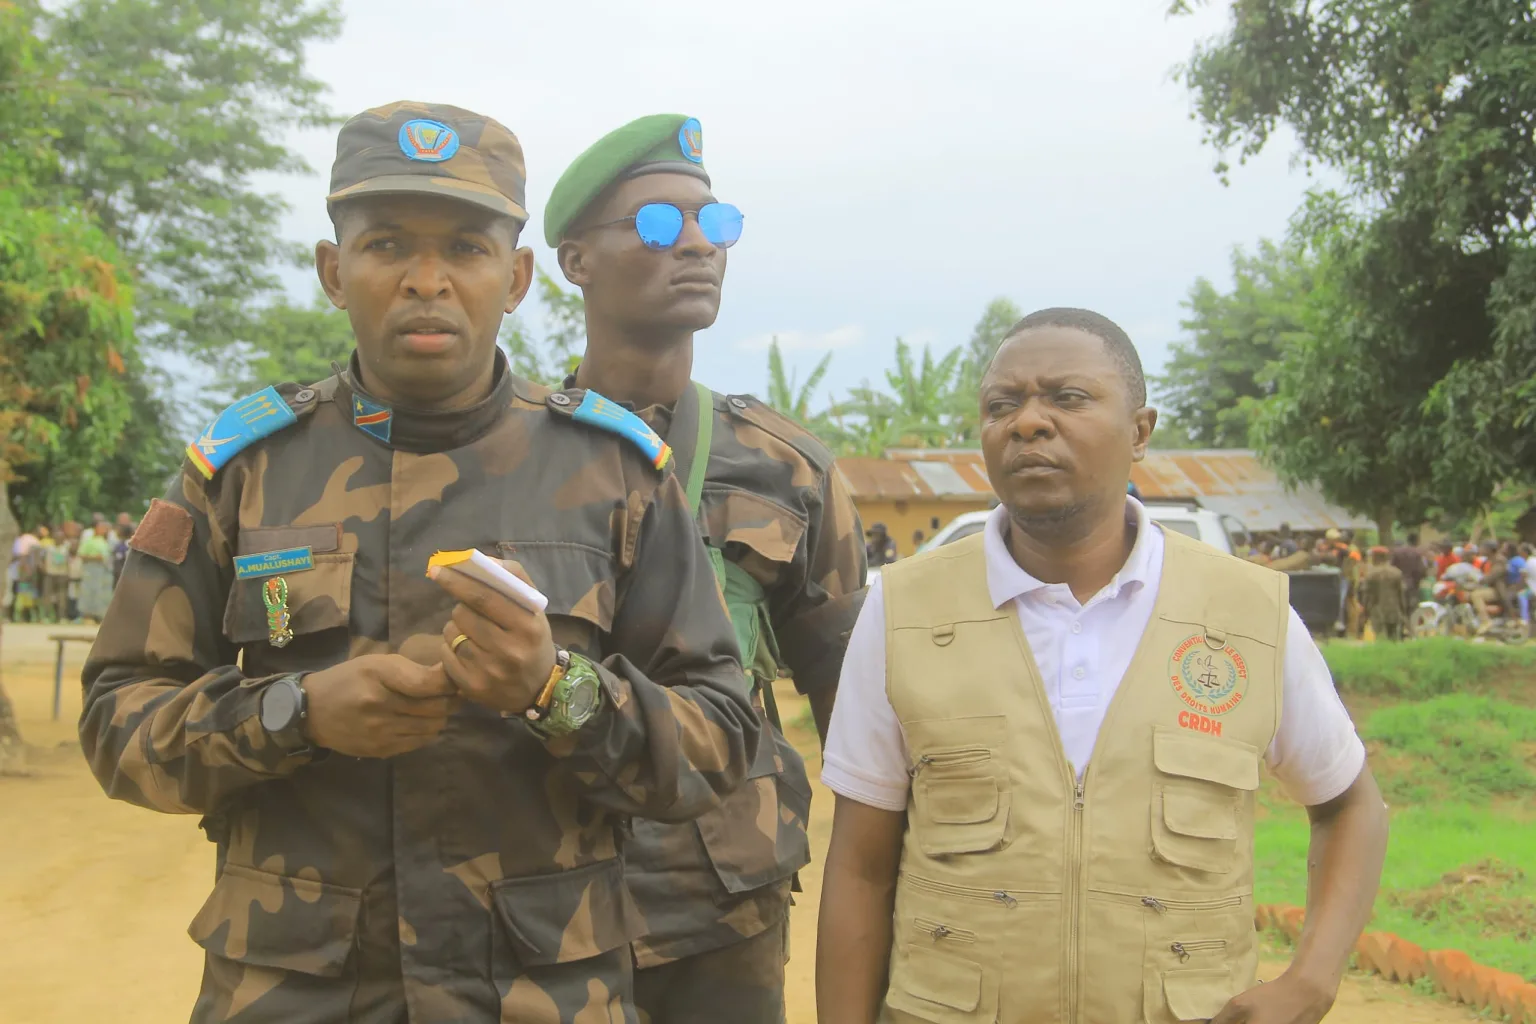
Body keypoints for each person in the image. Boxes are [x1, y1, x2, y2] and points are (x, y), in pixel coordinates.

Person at [79, 101, 761, 1024]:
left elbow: (720, 737)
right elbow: (119, 721)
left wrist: (559, 691)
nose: (425, 281)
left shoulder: (617, 472)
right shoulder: (242, 472)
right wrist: (296, 713)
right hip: (296, 990)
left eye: (468, 251)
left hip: (544, 991)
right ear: (333, 270)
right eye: (387, 244)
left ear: (517, 277)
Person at [816, 308, 1388, 1024]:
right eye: (1002, 405)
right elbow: (860, 871)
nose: (1027, 422)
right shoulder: (904, 610)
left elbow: (1350, 804)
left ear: (1140, 431)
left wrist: (1312, 979)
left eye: (1067, 397)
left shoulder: (1247, 615)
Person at [545, 112, 867, 1024]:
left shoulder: (786, 466)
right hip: (539, 898)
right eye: (656, 224)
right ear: (575, 260)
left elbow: (857, 712)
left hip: (722, 900)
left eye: (713, 223)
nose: (695, 244)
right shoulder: (512, 452)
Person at [1360, 546, 1406, 642]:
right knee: (1394, 639)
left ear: (1376, 557)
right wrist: (1403, 610)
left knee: (1380, 638)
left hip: (1377, 611)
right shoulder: (1396, 572)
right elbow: (1401, 594)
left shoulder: (1372, 574)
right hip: (1394, 610)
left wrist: (1365, 611)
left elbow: (1367, 595)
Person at [75, 521, 114, 622]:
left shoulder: (105, 542)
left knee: (101, 593)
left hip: (102, 571)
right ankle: (87, 615)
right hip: (90, 570)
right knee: (88, 592)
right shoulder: (89, 541)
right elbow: (81, 555)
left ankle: (99, 616)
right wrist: (95, 558)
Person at [1391, 532, 1428, 620]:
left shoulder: (1397, 552)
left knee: (1399, 606)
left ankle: (1399, 628)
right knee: (1412, 609)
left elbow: (1392, 568)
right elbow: (1421, 570)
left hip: (1398, 584)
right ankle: (1411, 628)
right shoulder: (1417, 553)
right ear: (1417, 541)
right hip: (1412, 585)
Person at [40, 525, 71, 624]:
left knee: (62, 597)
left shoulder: (66, 548)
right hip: (50, 573)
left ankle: (61, 617)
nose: (59, 539)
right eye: (57, 538)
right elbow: (41, 559)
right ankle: (46, 617)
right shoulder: (49, 548)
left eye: (60, 538)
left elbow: (69, 562)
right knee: (47, 596)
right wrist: (43, 568)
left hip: (62, 574)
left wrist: (68, 573)